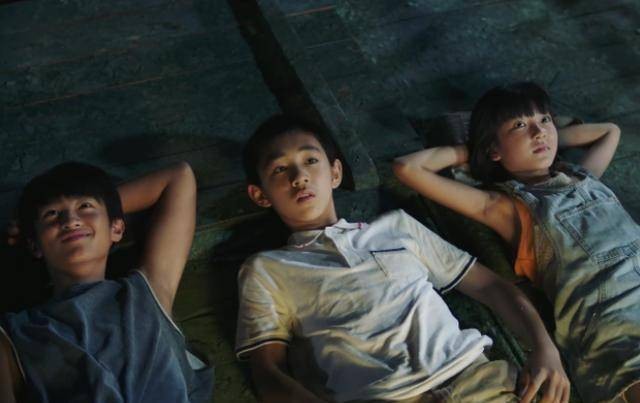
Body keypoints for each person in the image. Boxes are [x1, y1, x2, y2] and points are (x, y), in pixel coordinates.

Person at [236, 114, 569, 403]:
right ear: (260, 194)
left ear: (335, 172)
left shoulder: (397, 227)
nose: (299, 177)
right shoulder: (267, 269)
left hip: (476, 380)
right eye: (280, 169)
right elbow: (268, 372)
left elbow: (490, 286)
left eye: (311, 160)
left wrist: (545, 348)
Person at [393, 81, 639, 402]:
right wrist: (478, 151)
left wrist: (548, 135)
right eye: (520, 126)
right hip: (613, 319)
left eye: (544, 120)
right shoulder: (506, 208)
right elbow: (408, 168)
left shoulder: (583, 176)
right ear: (494, 150)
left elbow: (609, 131)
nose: (538, 132)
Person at [0, 162, 214, 403]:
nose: (70, 221)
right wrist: (95, 210)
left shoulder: (145, 292)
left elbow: (179, 177)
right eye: (52, 214)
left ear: (117, 228)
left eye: (85, 206)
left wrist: (105, 205)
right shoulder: (15, 335)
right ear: (34, 245)